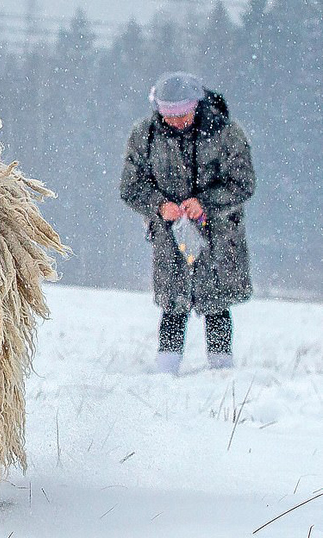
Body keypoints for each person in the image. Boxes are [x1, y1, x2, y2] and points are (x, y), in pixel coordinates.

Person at [120, 72, 256, 375]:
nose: (176, 120)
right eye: (168, 115)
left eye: (182, 114)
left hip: (220, 235)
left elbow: (243, 183)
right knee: (173, 302)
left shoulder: (227, 133)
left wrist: (206, 202)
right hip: (169, 236)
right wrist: (159, 205)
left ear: (196, 104)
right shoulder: (144, 135)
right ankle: (165, 368)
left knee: (217, 302)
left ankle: (222, 369)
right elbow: (131, 187)